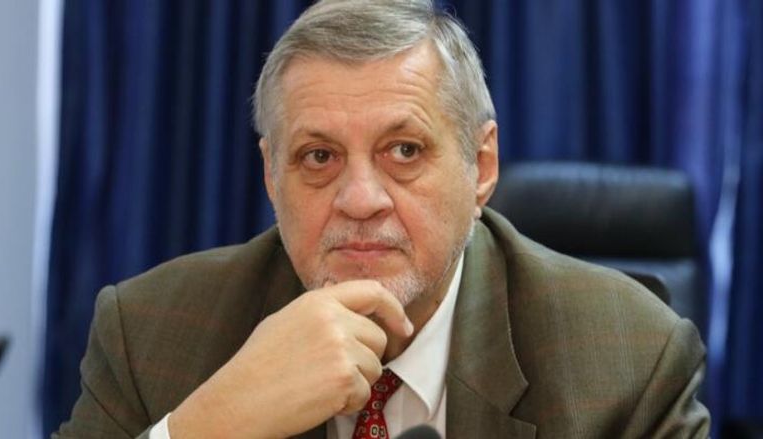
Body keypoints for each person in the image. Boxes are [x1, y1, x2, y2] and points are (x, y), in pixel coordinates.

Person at [55, 0, 710, 438]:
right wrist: (211, 425)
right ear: (271, 177)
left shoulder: (628, 359)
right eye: (319, 157)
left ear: (481, 167)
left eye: (404, 151)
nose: (361, 199)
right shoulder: (150, 333)